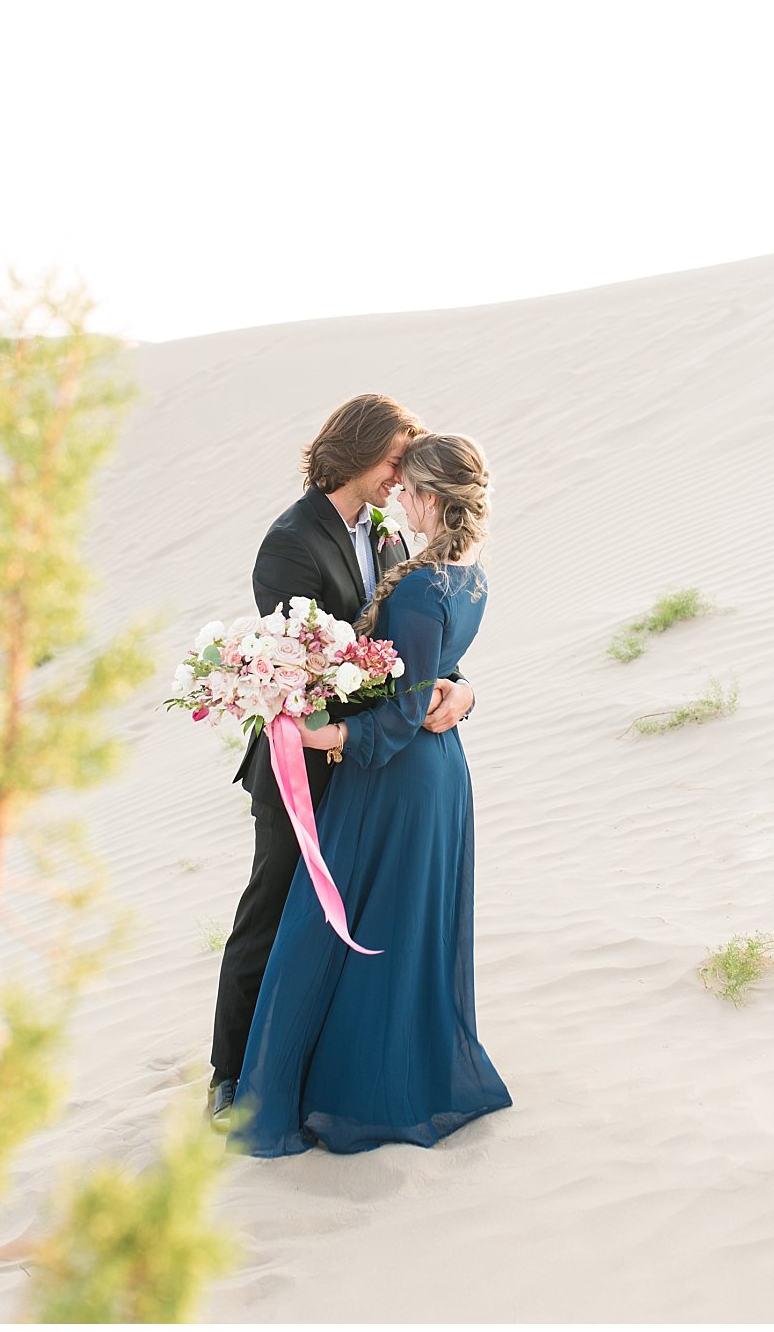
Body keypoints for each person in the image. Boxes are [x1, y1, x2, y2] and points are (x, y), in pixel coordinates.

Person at [232, 432, 511, 1156]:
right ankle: (378, 1077)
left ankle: (352, 1093)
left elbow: (409, 700)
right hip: (438, 769)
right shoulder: (466, 570)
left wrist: (328, 739)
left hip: (394, 774)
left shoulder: (418, 579)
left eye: (411, 484)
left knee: (341, 933)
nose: (399, 493)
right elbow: (433, 671)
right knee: (397, 929)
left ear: (432, 498)